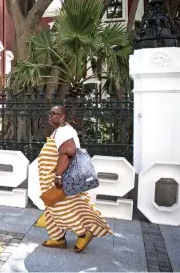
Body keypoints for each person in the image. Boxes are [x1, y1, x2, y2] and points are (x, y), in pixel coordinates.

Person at [38, 105, 112, 252]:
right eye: (50, 113)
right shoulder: (61, 131)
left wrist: (58, 175)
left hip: (59, 180)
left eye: (53, 113)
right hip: (50, 180)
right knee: (51, 207)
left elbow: (68, 151)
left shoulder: (64, 131)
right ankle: (58, 238)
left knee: (61, 208)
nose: (50, 115)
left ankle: (83, 233)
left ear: (62, 117)